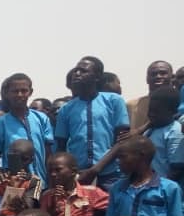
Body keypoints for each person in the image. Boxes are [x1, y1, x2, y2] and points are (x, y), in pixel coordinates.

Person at [56, 57, 130, 190]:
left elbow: (122, 140)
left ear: (97, 77)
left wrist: (95, 169)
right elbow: (61, 147)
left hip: (110, 174)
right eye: (76, 70)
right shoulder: (66, 109)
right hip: (78, 176)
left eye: (83, 71)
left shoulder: (114, 101)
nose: (77, 73)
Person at [0, 73, 53, 184]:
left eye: (24, 91)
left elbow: (48, 153)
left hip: (41, 182)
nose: (19, 94)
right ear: (7, 93)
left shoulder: (42, 119)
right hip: (14, 183)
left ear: (30, 92)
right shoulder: (0, 123)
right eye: (15, 91)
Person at [40, 152, 108, 216]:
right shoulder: (47, 195)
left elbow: (114, 205)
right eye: (50, 171)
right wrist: (53, 204)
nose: (53, 174)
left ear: (73, 171)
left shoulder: (90, 193)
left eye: (58, 170)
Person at [143, 86, 184, 182]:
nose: (151, 114)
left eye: (157, 111)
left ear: (173, 112)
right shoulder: (150, 130)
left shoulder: (176, 132)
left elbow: (177, 169)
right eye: (150, 110)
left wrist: (160, 187)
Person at [125, 60, 174, 130]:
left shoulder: (179, 104)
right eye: (153, 74)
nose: (158, 76)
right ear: (147, 79)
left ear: (172, 77)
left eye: (163, 73)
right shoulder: (131, 105)